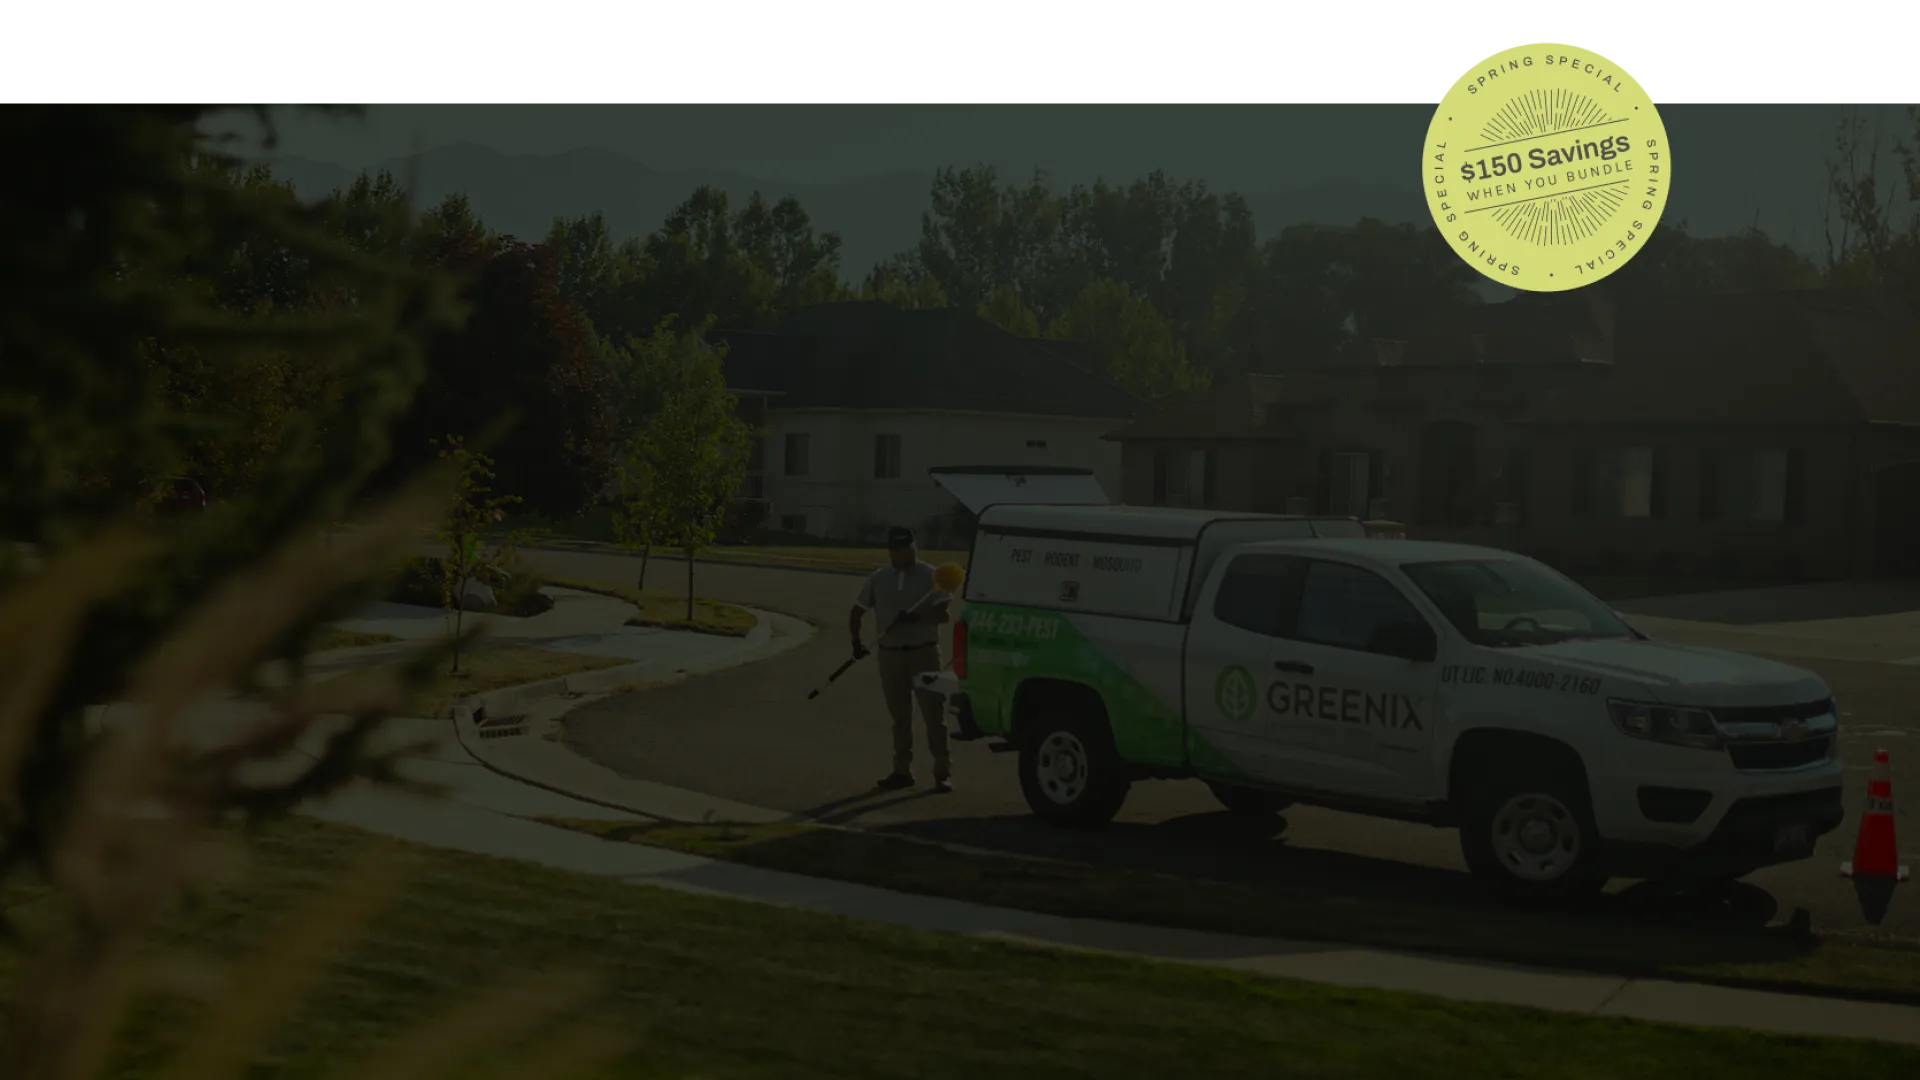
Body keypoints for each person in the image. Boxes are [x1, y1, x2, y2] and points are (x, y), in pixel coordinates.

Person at [849, 525, 953, 793]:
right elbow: (857, 611)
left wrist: (917, 617)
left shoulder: (932, 576)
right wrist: (856, 642)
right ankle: (902, 771)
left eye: (906, 549)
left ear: (913, 547)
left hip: (926, 653)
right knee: (900, 717)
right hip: (890, 655)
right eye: (895, 550)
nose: (901, 555)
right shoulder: (879, 578)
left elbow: (943, 615)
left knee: (934, 715)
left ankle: (943, 772)